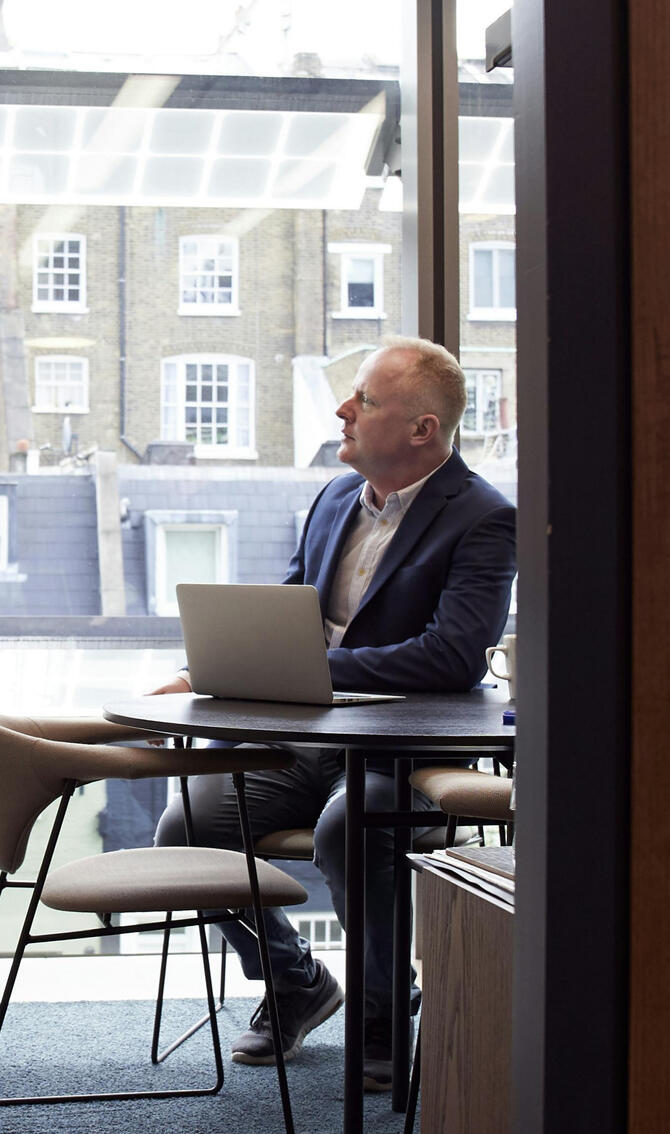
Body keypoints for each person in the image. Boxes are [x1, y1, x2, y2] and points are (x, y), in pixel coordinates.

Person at [151, 336, 516, 1090]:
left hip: (402, 755)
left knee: (348, 830)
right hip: (306, 742)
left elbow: (451, 656)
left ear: (422, 429)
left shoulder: (484, 517)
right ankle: (294, 980)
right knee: (187, 829)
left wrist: (312, 668)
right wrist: (202, 670)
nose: (344, 410)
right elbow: (289, 614)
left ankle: (385, 1012)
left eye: (366, 400)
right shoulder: (332, 500)